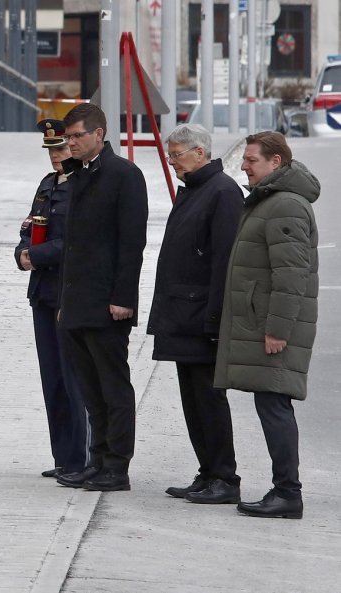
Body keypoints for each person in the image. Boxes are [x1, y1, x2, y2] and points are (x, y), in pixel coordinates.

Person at [215, 131, 319, 520]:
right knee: (270, 403)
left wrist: (277, 329)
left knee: (275, 405)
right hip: (264, 322)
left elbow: (291, 275)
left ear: (276, 162)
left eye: (251, 160)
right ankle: (285, 490)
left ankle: (288, 493)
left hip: (274, 327)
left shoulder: (286, 206)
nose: (243, 166)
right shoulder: (270, 201)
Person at [146, 124, 243, 504]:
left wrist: (216, 319)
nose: (171, 163)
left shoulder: (222, 193)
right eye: (170, 156)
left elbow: (224, 263)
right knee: (192, 399)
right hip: (183, 315)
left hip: (202, 317)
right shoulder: (194, 191)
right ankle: (207, 472)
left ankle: (225, 477)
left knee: (209, 398)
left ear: (200, 153)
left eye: (177, 155)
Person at [54, 103, 148, 492]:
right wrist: (64, 302)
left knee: (113, 388)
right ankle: (98, 459)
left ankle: (117, 466)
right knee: (90, 389)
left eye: (77, 136)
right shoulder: (78, 175)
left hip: (108, 303)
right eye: (68, 137)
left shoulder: (124, 175)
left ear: (99, 134)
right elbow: (74, 246)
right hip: (77, 302)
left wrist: (123, 297)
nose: (70, 143)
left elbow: (132, 243)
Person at [14, 119, 89, 479]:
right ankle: (63, 457)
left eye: (61, 149)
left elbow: (78, 239)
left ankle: (80, 459)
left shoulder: (82, 186)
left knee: (73, 377)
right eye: (51, 151)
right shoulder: (47, 185)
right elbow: (30, 227)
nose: (56, 157)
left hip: (68, 290)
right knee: (52, 378)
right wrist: (22, 253)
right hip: (43, 291)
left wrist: (36, 256)